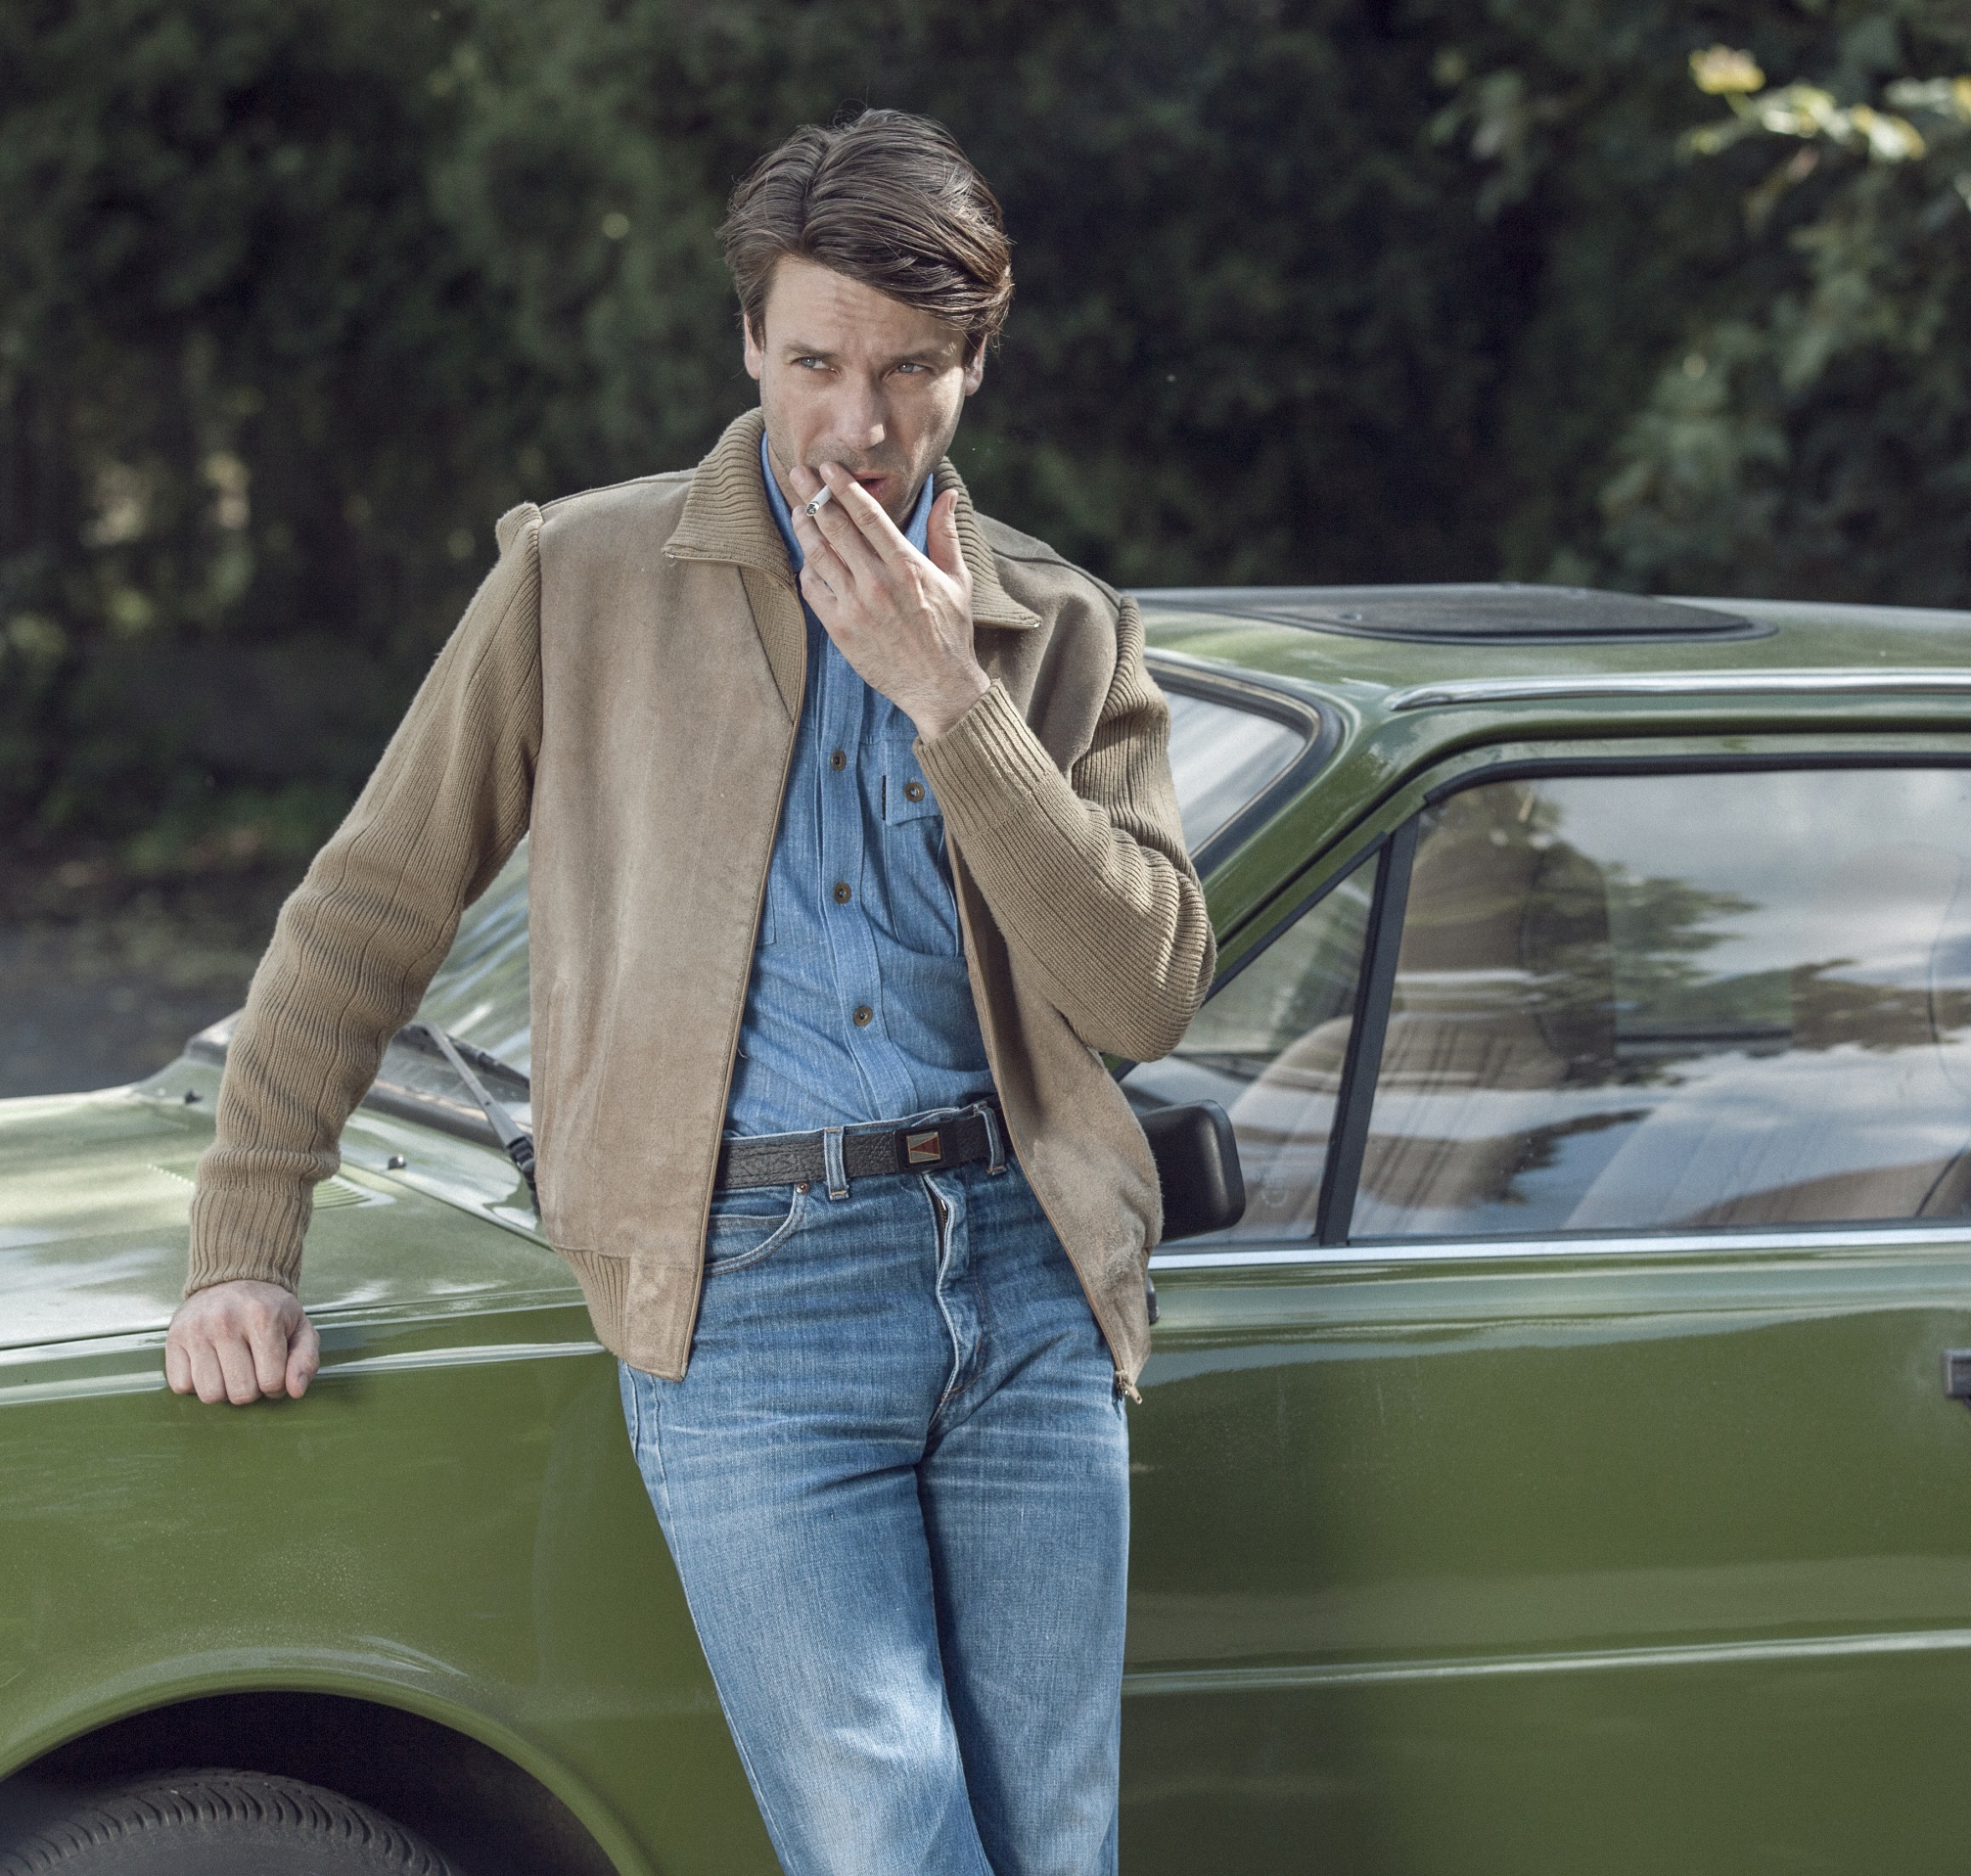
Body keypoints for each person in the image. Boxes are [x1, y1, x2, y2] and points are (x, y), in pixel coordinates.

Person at [161, 108, 1212, 1876]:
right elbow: (370, 907)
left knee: (1058, 1851)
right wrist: (245, 1239)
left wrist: (953, 702)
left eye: (909, 370)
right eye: (815, 364)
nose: (857, 423)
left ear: (976, 363)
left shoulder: (1062, 627)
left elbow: (1149, 992)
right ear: (748, 344)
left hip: (1028, 1282)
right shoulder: (579, 578)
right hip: (751, 1298)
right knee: (890, 1851)